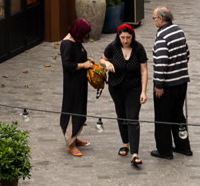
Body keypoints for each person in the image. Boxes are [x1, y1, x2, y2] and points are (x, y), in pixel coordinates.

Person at [101, 21, 149, 165]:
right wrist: (106, 63)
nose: (126, 40)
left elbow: (144, 70)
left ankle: (134, 153)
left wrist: (143, 91)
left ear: (132, 37)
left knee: (133, 118)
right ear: (118, 37)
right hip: (116, 87)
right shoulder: (113, 47)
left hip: (134, 87)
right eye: (123, 38)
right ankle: (125, 143)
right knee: (121, 114)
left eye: (128, 37)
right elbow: (102, 59)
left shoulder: (139, 48)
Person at [148, 6, 191, 159]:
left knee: (162, 117)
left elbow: (161, 63)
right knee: (178, 114)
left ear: (161, 19)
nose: (153, 21)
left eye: (154, 18)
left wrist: (159, 85)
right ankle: (183, 146)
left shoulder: (162, 36)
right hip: (182, 81)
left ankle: (164, 150)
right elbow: (187, 54)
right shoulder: (179, 30)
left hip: (167, 85)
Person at [59, 18, 94, 157]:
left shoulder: (76, 41)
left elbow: (78, 56)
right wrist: (83, 65)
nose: (86, 36)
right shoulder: (67, 44)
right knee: (72, 110)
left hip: (80, 82)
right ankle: (70, 143)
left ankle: (75, 136)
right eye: (84, 33)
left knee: (80, 108)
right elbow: (67, 64)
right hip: (72, 84)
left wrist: (87, 60)